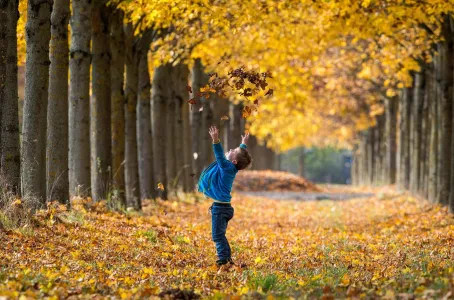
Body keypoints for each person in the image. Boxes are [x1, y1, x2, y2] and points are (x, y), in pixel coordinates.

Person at [198, 126, 252, 266]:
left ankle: (223, 261)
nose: (230, 150)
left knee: (217, 236)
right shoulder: (231, 168)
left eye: (233, 151)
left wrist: (216, 140)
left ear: (233, 161)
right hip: (222, 207)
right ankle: (227, 259)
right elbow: (238, 156)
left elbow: (220, 156)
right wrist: (243, 144)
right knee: (220, 235)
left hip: (221, 209)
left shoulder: (227, 167)